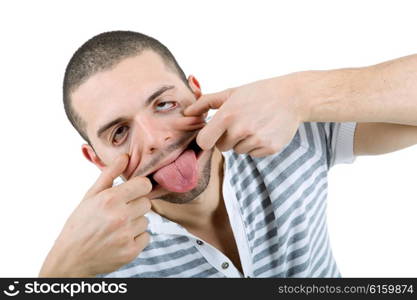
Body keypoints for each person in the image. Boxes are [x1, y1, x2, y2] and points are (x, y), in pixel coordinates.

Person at [39, 30, 417, 278]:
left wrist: (302, 96)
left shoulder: (283, 131)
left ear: (196, 92)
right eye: (120, 132)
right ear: (97, 159)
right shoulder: (97, 264)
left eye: (165, 104)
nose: (155, 138)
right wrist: (60, 273)